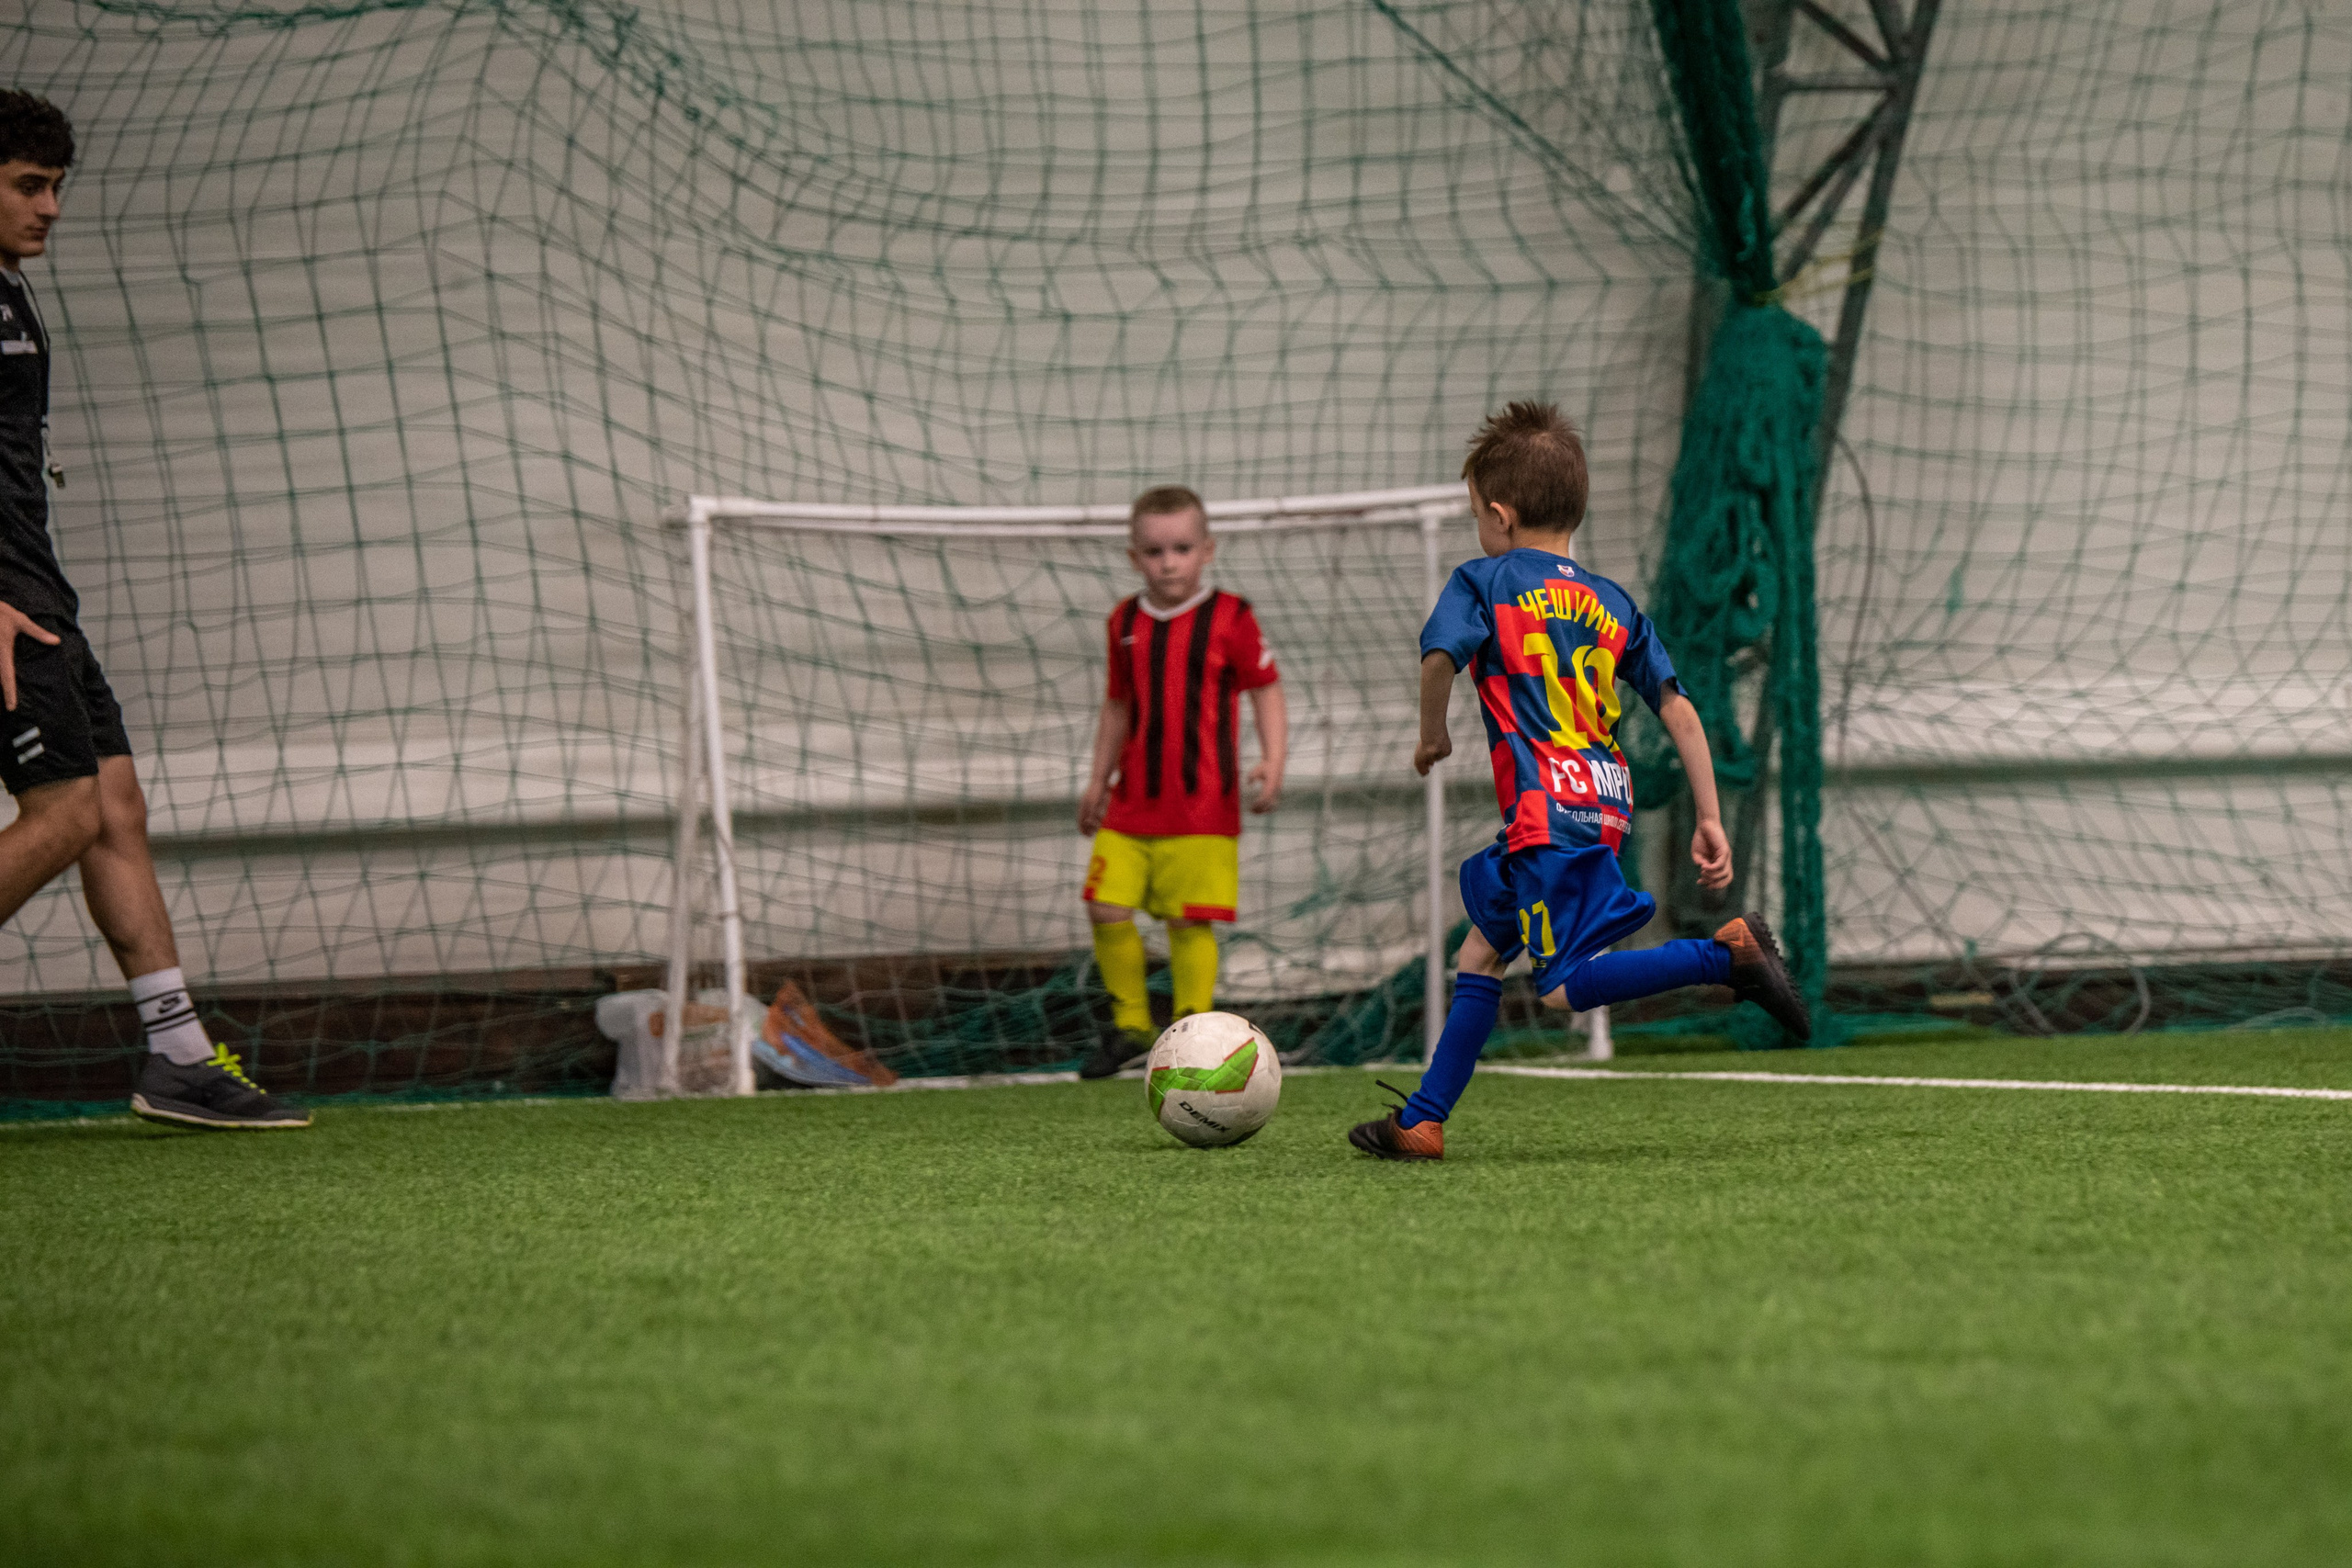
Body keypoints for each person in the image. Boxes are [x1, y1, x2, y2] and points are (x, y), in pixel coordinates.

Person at [1348, 402, 1806, 1161]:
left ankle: (1724, 956)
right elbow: (1679, 709)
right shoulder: (1612, 601)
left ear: (1499, 515)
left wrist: (1433, 733)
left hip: (1545, 814)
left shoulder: (1485, 580)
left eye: (1476, 516)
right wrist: (1709, 816)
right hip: (1602, 799)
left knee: (1561, 987)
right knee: (1481, 955)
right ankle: (1423, 1120)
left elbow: (1437, 659)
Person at [0, 91, 305, 1129]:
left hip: (41, 593)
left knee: (115, 804)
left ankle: (177, 1056)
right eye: (28, 187)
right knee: (68, 812)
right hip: (6, 605)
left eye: (55, 188)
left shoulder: (10, 292)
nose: (50, 209)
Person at [1075, 486, 1287, 1079]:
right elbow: (1116, 704)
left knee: (1189, 920)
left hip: (1203, 807)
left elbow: (1266, 688)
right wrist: (1097, 778)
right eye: (1154, 551)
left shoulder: (1232, 617)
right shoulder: (1123, 621)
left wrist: (1274, 759)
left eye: (1181, 548)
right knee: (1105, 906)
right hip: (1132, 803)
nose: (1168, 561)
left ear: (1207, 550)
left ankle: (1193, 1033)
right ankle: (1132, 1027)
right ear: (1133, 556)